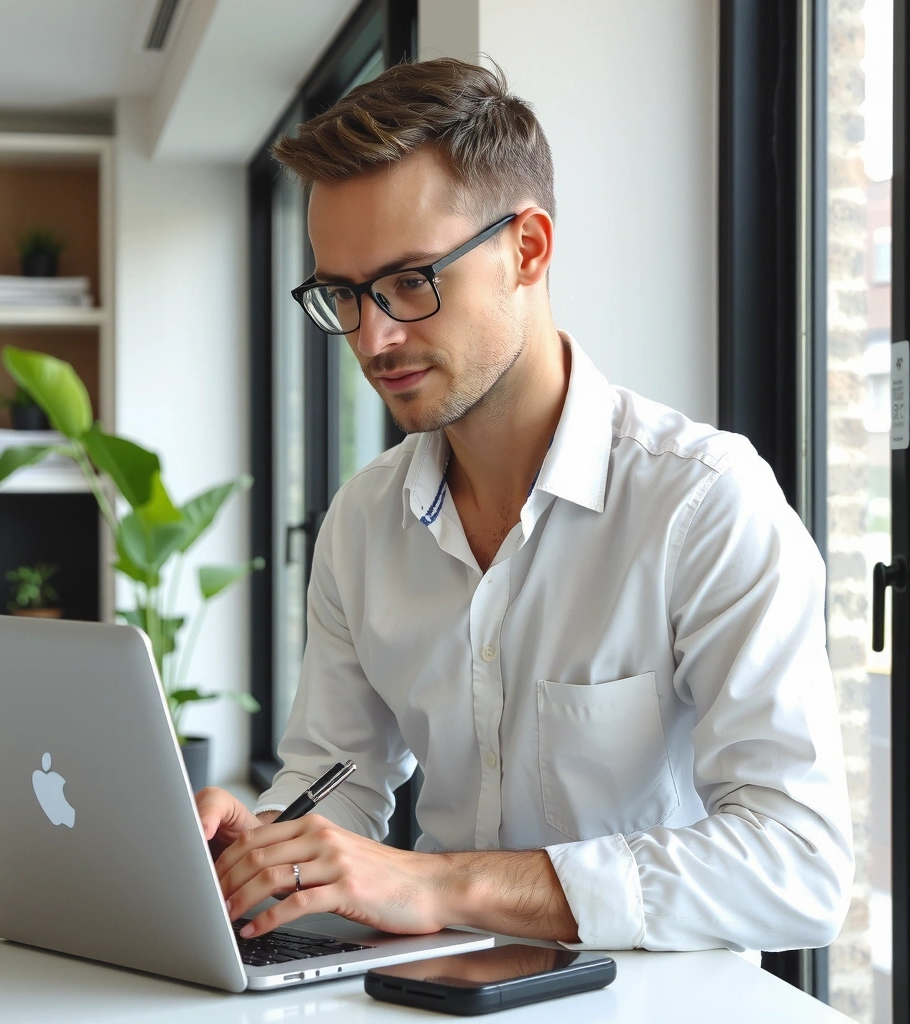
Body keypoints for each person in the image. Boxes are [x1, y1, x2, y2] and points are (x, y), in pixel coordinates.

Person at [197, 57, 853, 953]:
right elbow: (335, 778)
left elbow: (800, 865)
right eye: (344, 295)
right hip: (426, 995)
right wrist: (260, 845)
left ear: (528, 249)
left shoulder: (702, 503)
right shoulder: (361, 523)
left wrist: (443, 883)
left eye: (411, 281)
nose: (374, 337)